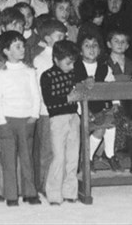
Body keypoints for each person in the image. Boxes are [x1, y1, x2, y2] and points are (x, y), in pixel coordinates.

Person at [0, 31, 42, 206]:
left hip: (27, 119)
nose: (22, 49)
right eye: (17, 46)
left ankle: (30, 192)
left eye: (23, 45)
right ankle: (11, 195)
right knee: (8, 159)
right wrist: (1, 120)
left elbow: (36, 95)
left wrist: (34, 115)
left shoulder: (29, 71)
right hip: (7, 120)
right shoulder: (0, 73)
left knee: (27, 157)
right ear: (6, 51)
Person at [40, 39, 83, 204]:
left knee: (73, 156)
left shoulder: (73, 71)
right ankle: (53, 193)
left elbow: (82, 85)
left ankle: (70, 192)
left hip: (73, 117)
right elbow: (49, 100)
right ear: (56, 60)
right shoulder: (47, 76)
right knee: (59, 157)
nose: (72, 67)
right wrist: (67, 97)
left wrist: (85, 84)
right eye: (68, 63)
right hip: (58, 119)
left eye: (73, 63)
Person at [31, 18, 68, 194]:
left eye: (64, 35)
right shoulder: (41, 59)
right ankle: (44, 184)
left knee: (60, 149)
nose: (63, 38)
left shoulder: (64, 59)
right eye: (59, 36)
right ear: (47, 38)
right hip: (47, 111)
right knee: (47, 150)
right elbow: (39, 88)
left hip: (62, 110)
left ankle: (56, 182)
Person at [73, 32, 119, 172]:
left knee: (110, 123)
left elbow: (113, 87)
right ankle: (86, 159)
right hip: (82, 110)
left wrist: (116, 102)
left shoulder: (105, 68)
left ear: (99, 50)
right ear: (80, 51)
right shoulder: (76, 67)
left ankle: (109, 154)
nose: (91, 49)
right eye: (87, 46)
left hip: (101, 108)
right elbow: (74, 90)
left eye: (95, 46)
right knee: (101, 128)